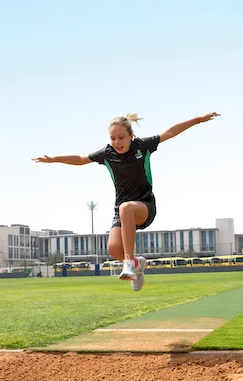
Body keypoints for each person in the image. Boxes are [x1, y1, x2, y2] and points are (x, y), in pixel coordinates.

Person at [33, 112, 220, 291]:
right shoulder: (107, 154)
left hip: (145, 206)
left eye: (121, 137)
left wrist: (198, 119)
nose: (117, 142)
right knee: (114, 250)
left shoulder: (142, 147)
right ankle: (137, 265)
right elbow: (81, 159)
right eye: (113, 138)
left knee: (127, 208)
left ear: (131, 136)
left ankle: (129, 263)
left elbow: (170, 132)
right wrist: (54, 159)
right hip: (121, 212)